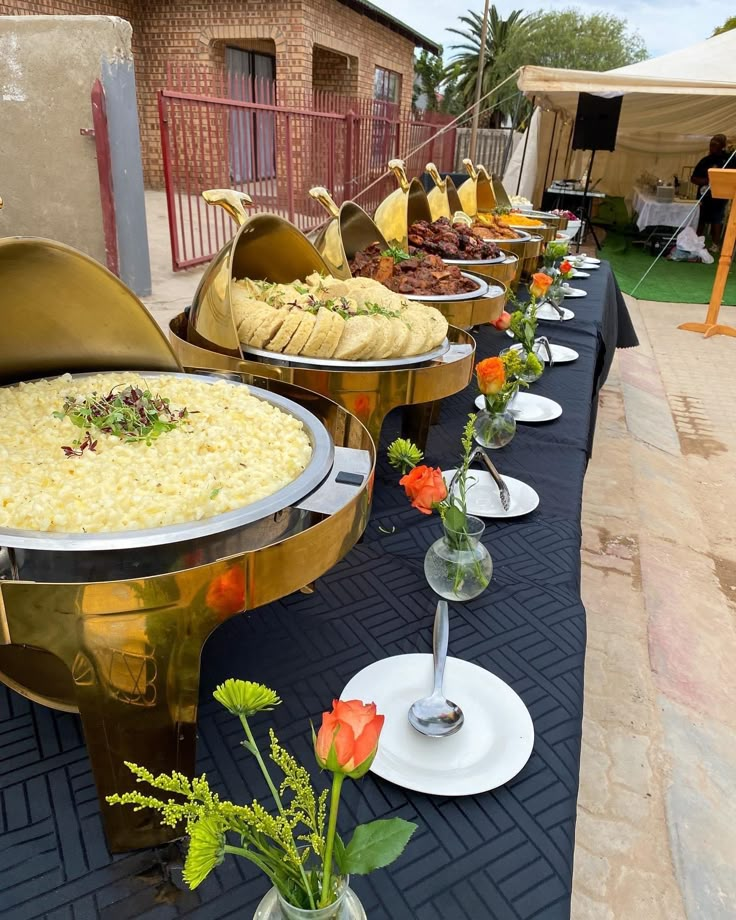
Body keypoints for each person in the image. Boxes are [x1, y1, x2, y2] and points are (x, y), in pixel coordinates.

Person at [692, 134, 732, 251]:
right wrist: (706, 181)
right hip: (704, 194)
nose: (712, 147)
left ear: (722, 146)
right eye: (711, 144)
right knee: (701, 218)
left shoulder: (730, 159)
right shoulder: (705, 160)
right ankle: (696, 242)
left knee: (717, 219)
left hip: (720, 195)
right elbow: (693, 178)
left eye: (715, 145)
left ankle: (715, 244)